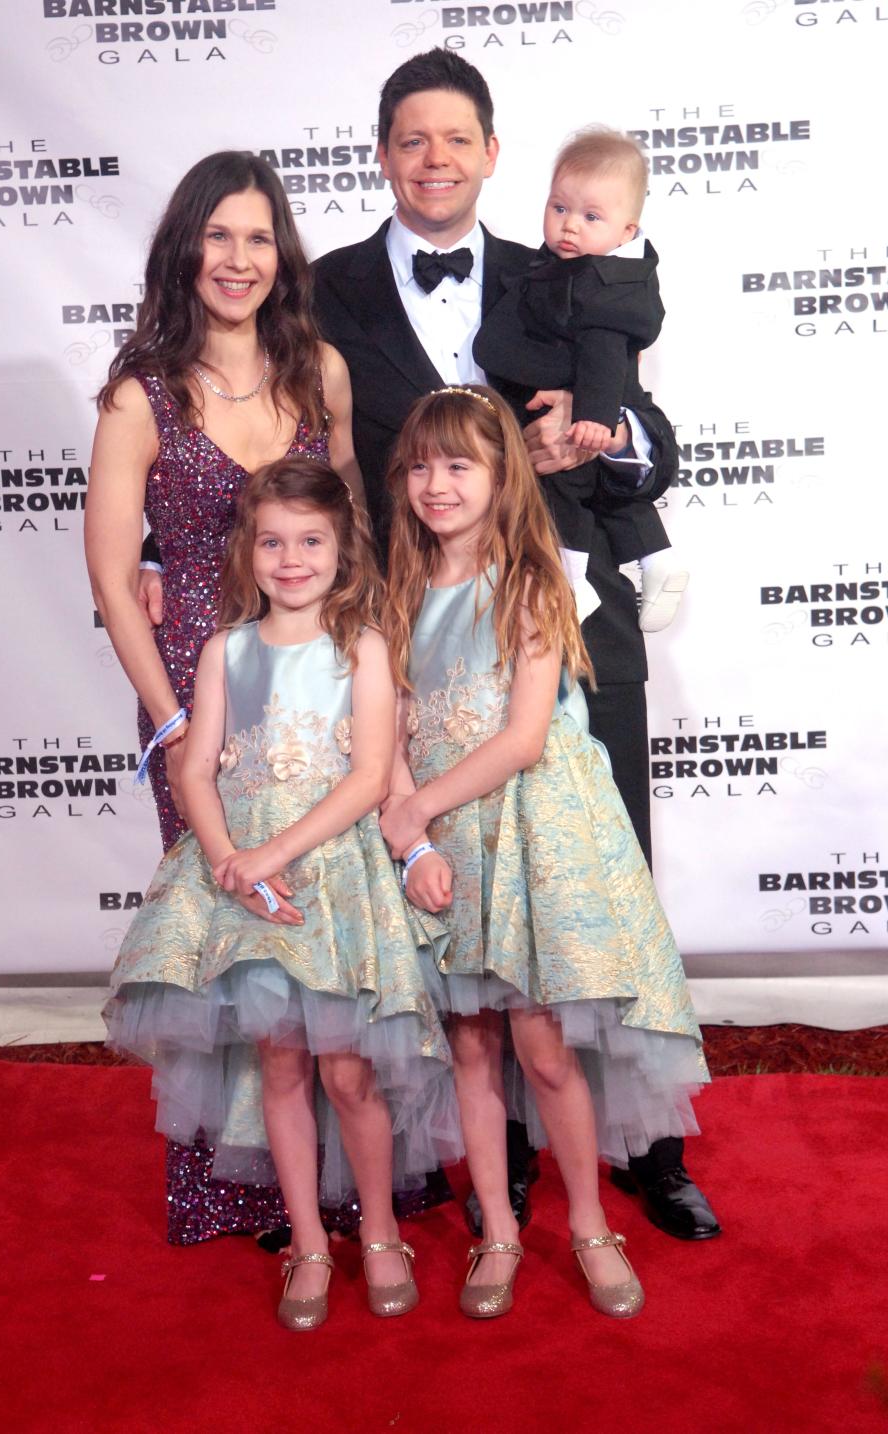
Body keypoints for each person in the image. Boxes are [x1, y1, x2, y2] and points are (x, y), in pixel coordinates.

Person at [312, 49, 721, 1240]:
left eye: (458, 139)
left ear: (494, 151)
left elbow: (649, 430)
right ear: (383, 155)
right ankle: (482, 1152)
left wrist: (596, 439)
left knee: (607, 888)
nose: (434, 160)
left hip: (569, 613)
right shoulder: (328, 290)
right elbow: (300, 440)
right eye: (410, 140)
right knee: (453, 904)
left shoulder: (572, 263)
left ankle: (648, 1143)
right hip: (420, 636)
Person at [86, 151, 370, 1248]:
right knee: (225, 930)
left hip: (313, 694)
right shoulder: (140, 391)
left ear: (280, 254)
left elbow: (350, 541)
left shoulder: (322, 374)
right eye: (219, 236)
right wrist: (164, 722)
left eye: (258, 238)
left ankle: (343, 1168)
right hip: (198, 711)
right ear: (185, 250)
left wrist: (364, 683)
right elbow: (115, 578)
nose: (238, 259)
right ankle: (232, 1182)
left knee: (324, 916)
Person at [105, 457, 460, 1329]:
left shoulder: (362, 649)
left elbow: (370, 775)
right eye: (272, 541)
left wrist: (272, 854)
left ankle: (378, 1231)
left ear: (344, 550)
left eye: (311, 541)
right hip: (243, 885)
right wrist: (228, 857)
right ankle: (305, 1239)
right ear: (247, 550)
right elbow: (194, 766)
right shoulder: (224, 649)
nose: (291, 558)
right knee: (279, 1063)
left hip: (328, 879)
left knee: (347, 1072)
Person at [378, 386, 707, 1319]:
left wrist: (418, 809)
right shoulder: (395, 590)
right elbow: (390, 728)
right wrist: (408, 834)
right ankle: (497, 1229)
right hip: (446, 843)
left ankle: (592, 1225)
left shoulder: (530, 580)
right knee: (468, 1045)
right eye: (420, 466)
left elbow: (524, 737)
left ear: (501, 476)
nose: (436, 486)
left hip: (530, 827)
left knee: (544, 1046)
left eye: (460, 466)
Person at [473, 127, 689, 634]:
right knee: (584, 488)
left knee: (568, 483)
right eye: (559, 208)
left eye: (591, 217)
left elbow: (603, 354)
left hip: (572, 427)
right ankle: (652, 556)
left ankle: (571, 580)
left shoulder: (599, 285)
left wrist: (597, 419)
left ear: (627, 231)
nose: (569, 226)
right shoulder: (542, 268)